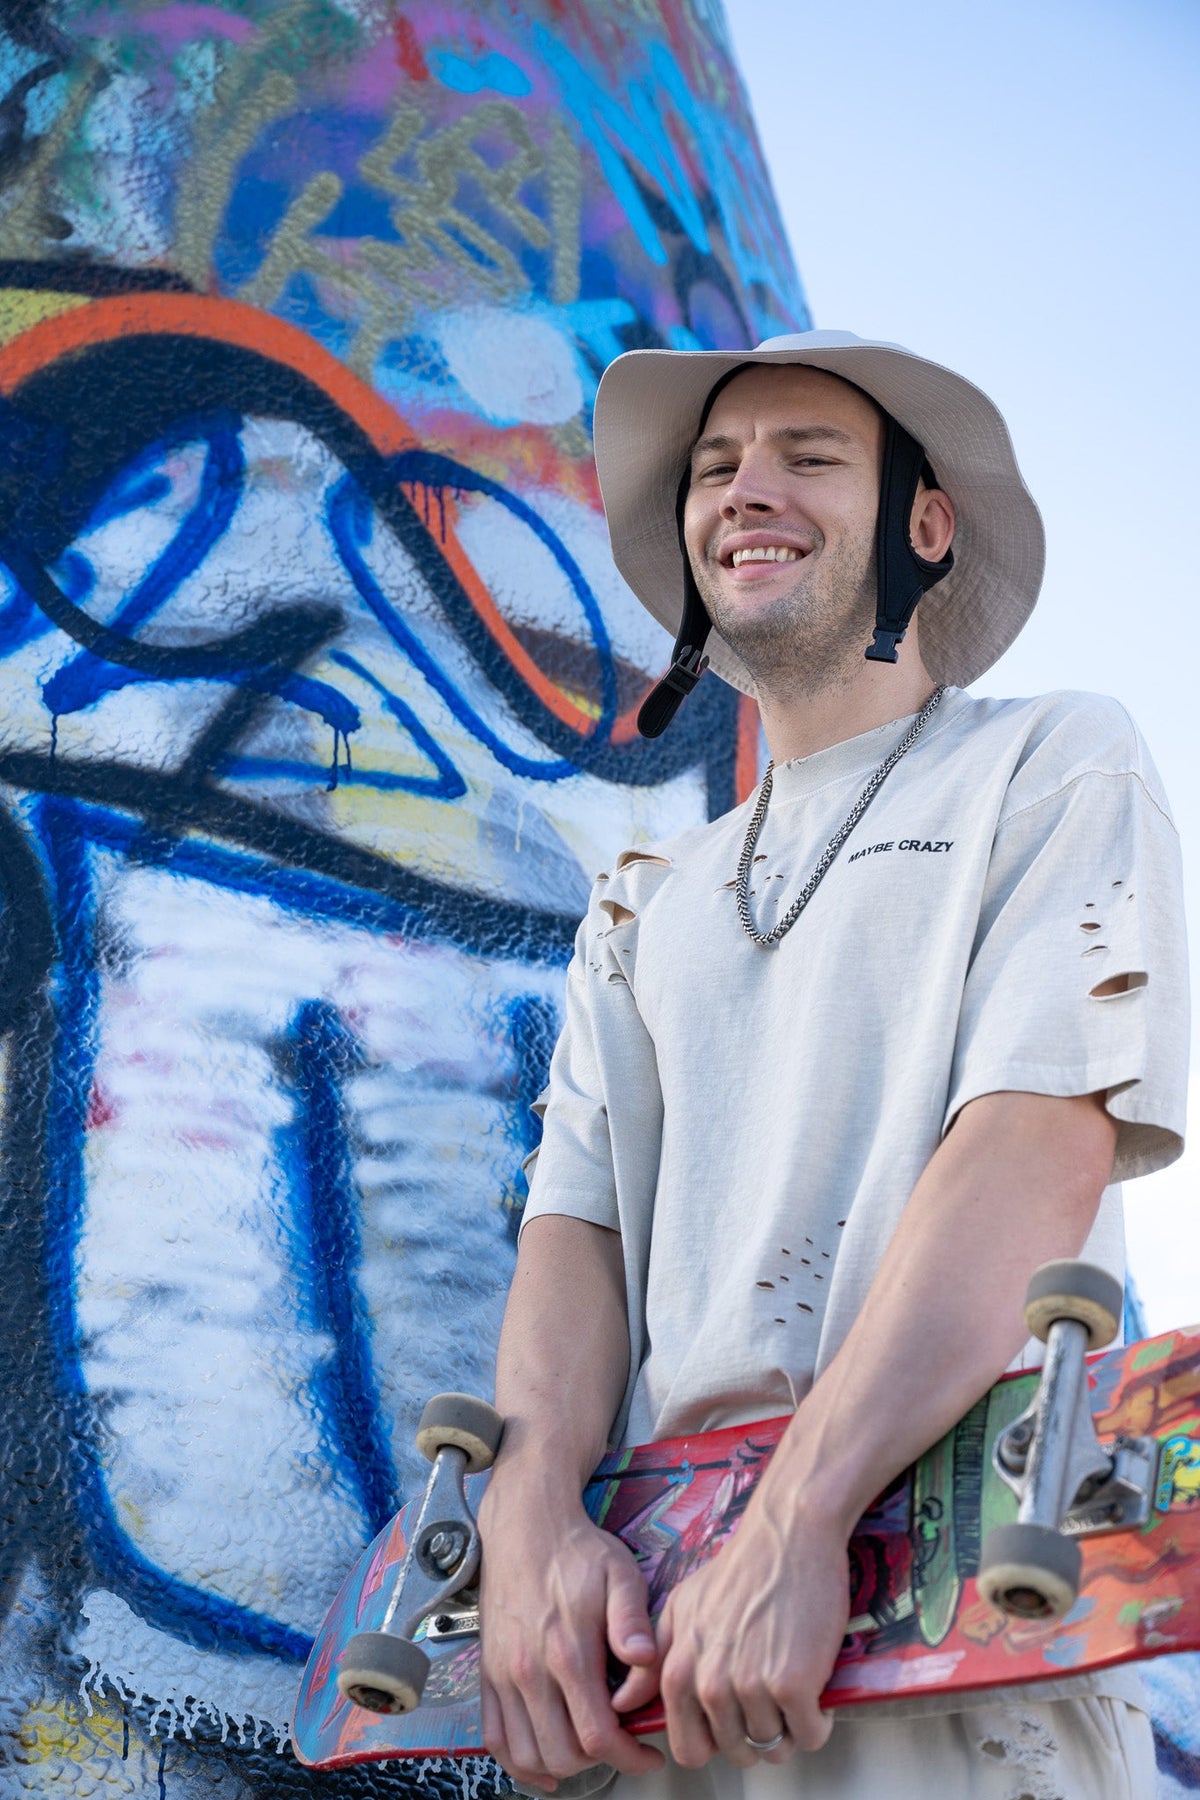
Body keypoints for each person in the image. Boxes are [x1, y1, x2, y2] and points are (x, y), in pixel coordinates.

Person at [475, 330, 1189, 1799]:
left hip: (956, 1638)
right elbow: (575, 1237)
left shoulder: (1051, 764)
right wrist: (531, 1523)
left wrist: (800, 1520)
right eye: (718, 467)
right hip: (663, 1656)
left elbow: (1033, 1149)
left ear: (927, 527)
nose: (748, 489)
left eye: (811, 456)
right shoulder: (639, 901)